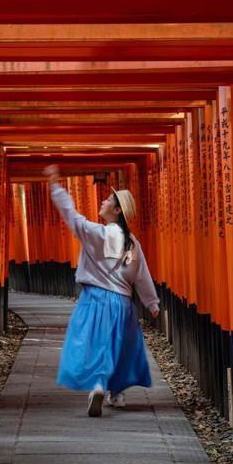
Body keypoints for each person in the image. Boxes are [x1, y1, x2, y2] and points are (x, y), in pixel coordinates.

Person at [43, 164, 160, 417]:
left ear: (117, 211)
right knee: (121, 348)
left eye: (108, 200)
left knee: (93, 345)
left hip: (95, 299)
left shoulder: (97, 234)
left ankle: (98, 385)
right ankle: (116, 393)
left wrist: (56, 188)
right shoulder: (133, 243)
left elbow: (72, 216)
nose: (103, 201)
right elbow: (141, 276)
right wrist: (152, 303)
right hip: (123, 304)